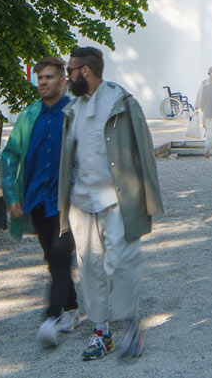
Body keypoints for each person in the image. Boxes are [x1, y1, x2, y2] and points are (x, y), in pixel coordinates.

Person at [57, 45, 164, 361]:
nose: (68, 76)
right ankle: (102, 333)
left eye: (71, 70)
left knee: (119, 263)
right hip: (81, 203)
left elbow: (144, 151)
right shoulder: (72, 109)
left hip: (118, 200)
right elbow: (68, 159)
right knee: (89, 266)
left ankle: (130, 324)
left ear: (84, 72)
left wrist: (150, 201)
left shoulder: (121, 101)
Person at [0, 56, 78, 348]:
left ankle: (51, 316)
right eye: (39, 77)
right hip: (37, 199)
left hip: (68, 201)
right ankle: (71, 308)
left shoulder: (74, 112)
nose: (43, 82)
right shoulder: (29, 115)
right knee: (52, 256)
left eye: (48, 77)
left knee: (60, 254)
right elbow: (10, 156)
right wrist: (12, 196)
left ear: (62, 80)